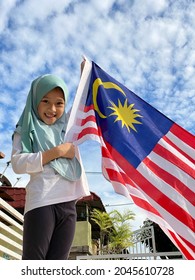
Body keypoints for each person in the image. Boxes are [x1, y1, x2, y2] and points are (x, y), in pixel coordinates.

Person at [11, 73, 90, 260]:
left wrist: (85, 76)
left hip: (69, 203)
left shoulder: (68, 127)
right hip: (42, 201)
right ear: (35, 100)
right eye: (45, 101)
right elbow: (17, 163)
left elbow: (84, 103)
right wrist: (58, 151)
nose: (52, 109)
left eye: (59, 103)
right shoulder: (25, 128)